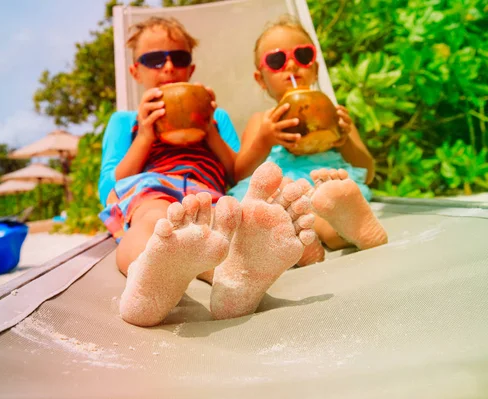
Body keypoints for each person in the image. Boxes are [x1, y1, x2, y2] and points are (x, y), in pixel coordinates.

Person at [98, 16, 316, 326]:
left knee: (223, 234)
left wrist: (209, 127)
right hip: (152, 189)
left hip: (209, 194)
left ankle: (233, 282)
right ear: (136, 72)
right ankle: (151, 280)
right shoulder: (126, 121)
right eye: (154, 60)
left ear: (191, 70)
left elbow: (234, 172)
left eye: (179, 58)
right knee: (154, 223)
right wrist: (146, 133)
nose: (169, 67)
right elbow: (110, 183)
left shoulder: (216, 117)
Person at [228, 14, 388, 266]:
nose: (291, 66)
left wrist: (343, 138)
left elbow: (366, 171)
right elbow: (239, 173)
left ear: (314, 68)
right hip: (284, 192)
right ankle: (302, 243)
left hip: (324, 186)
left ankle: (346, 230)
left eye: (302, 56)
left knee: (326, 210)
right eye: (277, 60)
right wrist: (265, 140)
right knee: (274, 205)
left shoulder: (334, 112)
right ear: (261, 79)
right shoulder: (261, 121)